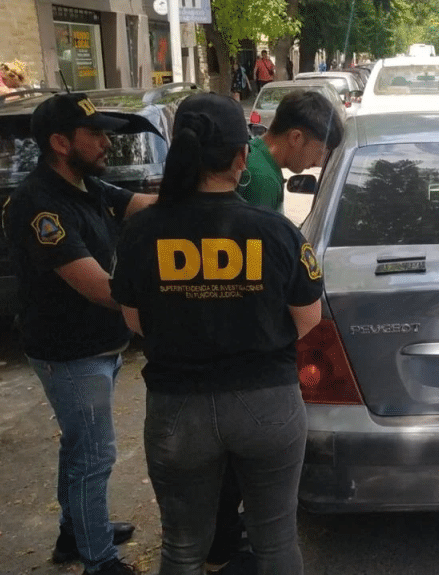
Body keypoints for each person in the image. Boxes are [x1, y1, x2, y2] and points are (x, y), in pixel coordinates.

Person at [110, 93, 323, 574]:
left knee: (183, 549)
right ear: (241, 156)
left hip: (177, 410)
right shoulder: (277, 231)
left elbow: (133, 319)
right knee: (275, 542)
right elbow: (308, 320)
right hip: (268, 404)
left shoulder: (143, 230)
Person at [2, 92, 163, 575]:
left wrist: (196, 196)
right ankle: (100, 559)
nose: (106, 143)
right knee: (95, 454)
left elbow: (139, 204)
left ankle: (75, 533)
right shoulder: (41, 207)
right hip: (70, 352)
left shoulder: (83, 185)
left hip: (96, 346)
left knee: (79, 446)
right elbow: (98, 287)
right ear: (60, 142)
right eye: (95, 135)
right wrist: (167, 301)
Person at [203, 88, 342, 572]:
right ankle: (228, 541)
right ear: (297, 136)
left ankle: (219, 536)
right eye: (321, 150)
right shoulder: (261, 181)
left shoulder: (257, 166)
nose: (320, 161)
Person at [238, 89, 343, 212]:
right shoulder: (264, 180)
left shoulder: (257, 154)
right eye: (319, 152)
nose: (318, 163)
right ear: (296, 137)